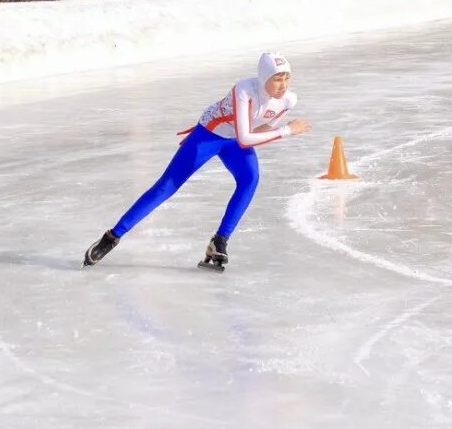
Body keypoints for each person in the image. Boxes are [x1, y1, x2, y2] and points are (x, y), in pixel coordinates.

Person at [83, 52, 311, 269]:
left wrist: (279, 129)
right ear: (264, 78)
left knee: (250, 179)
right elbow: (245, 138)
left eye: (286, 78)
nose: (283, 84)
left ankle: (219, 241)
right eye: (277, 79)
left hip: (234, 142)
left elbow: (258, 129)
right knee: (167, 186)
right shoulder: (245, 89)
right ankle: (112, 236)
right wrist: (288, 131)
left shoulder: (288, 100)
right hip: (209, 136)